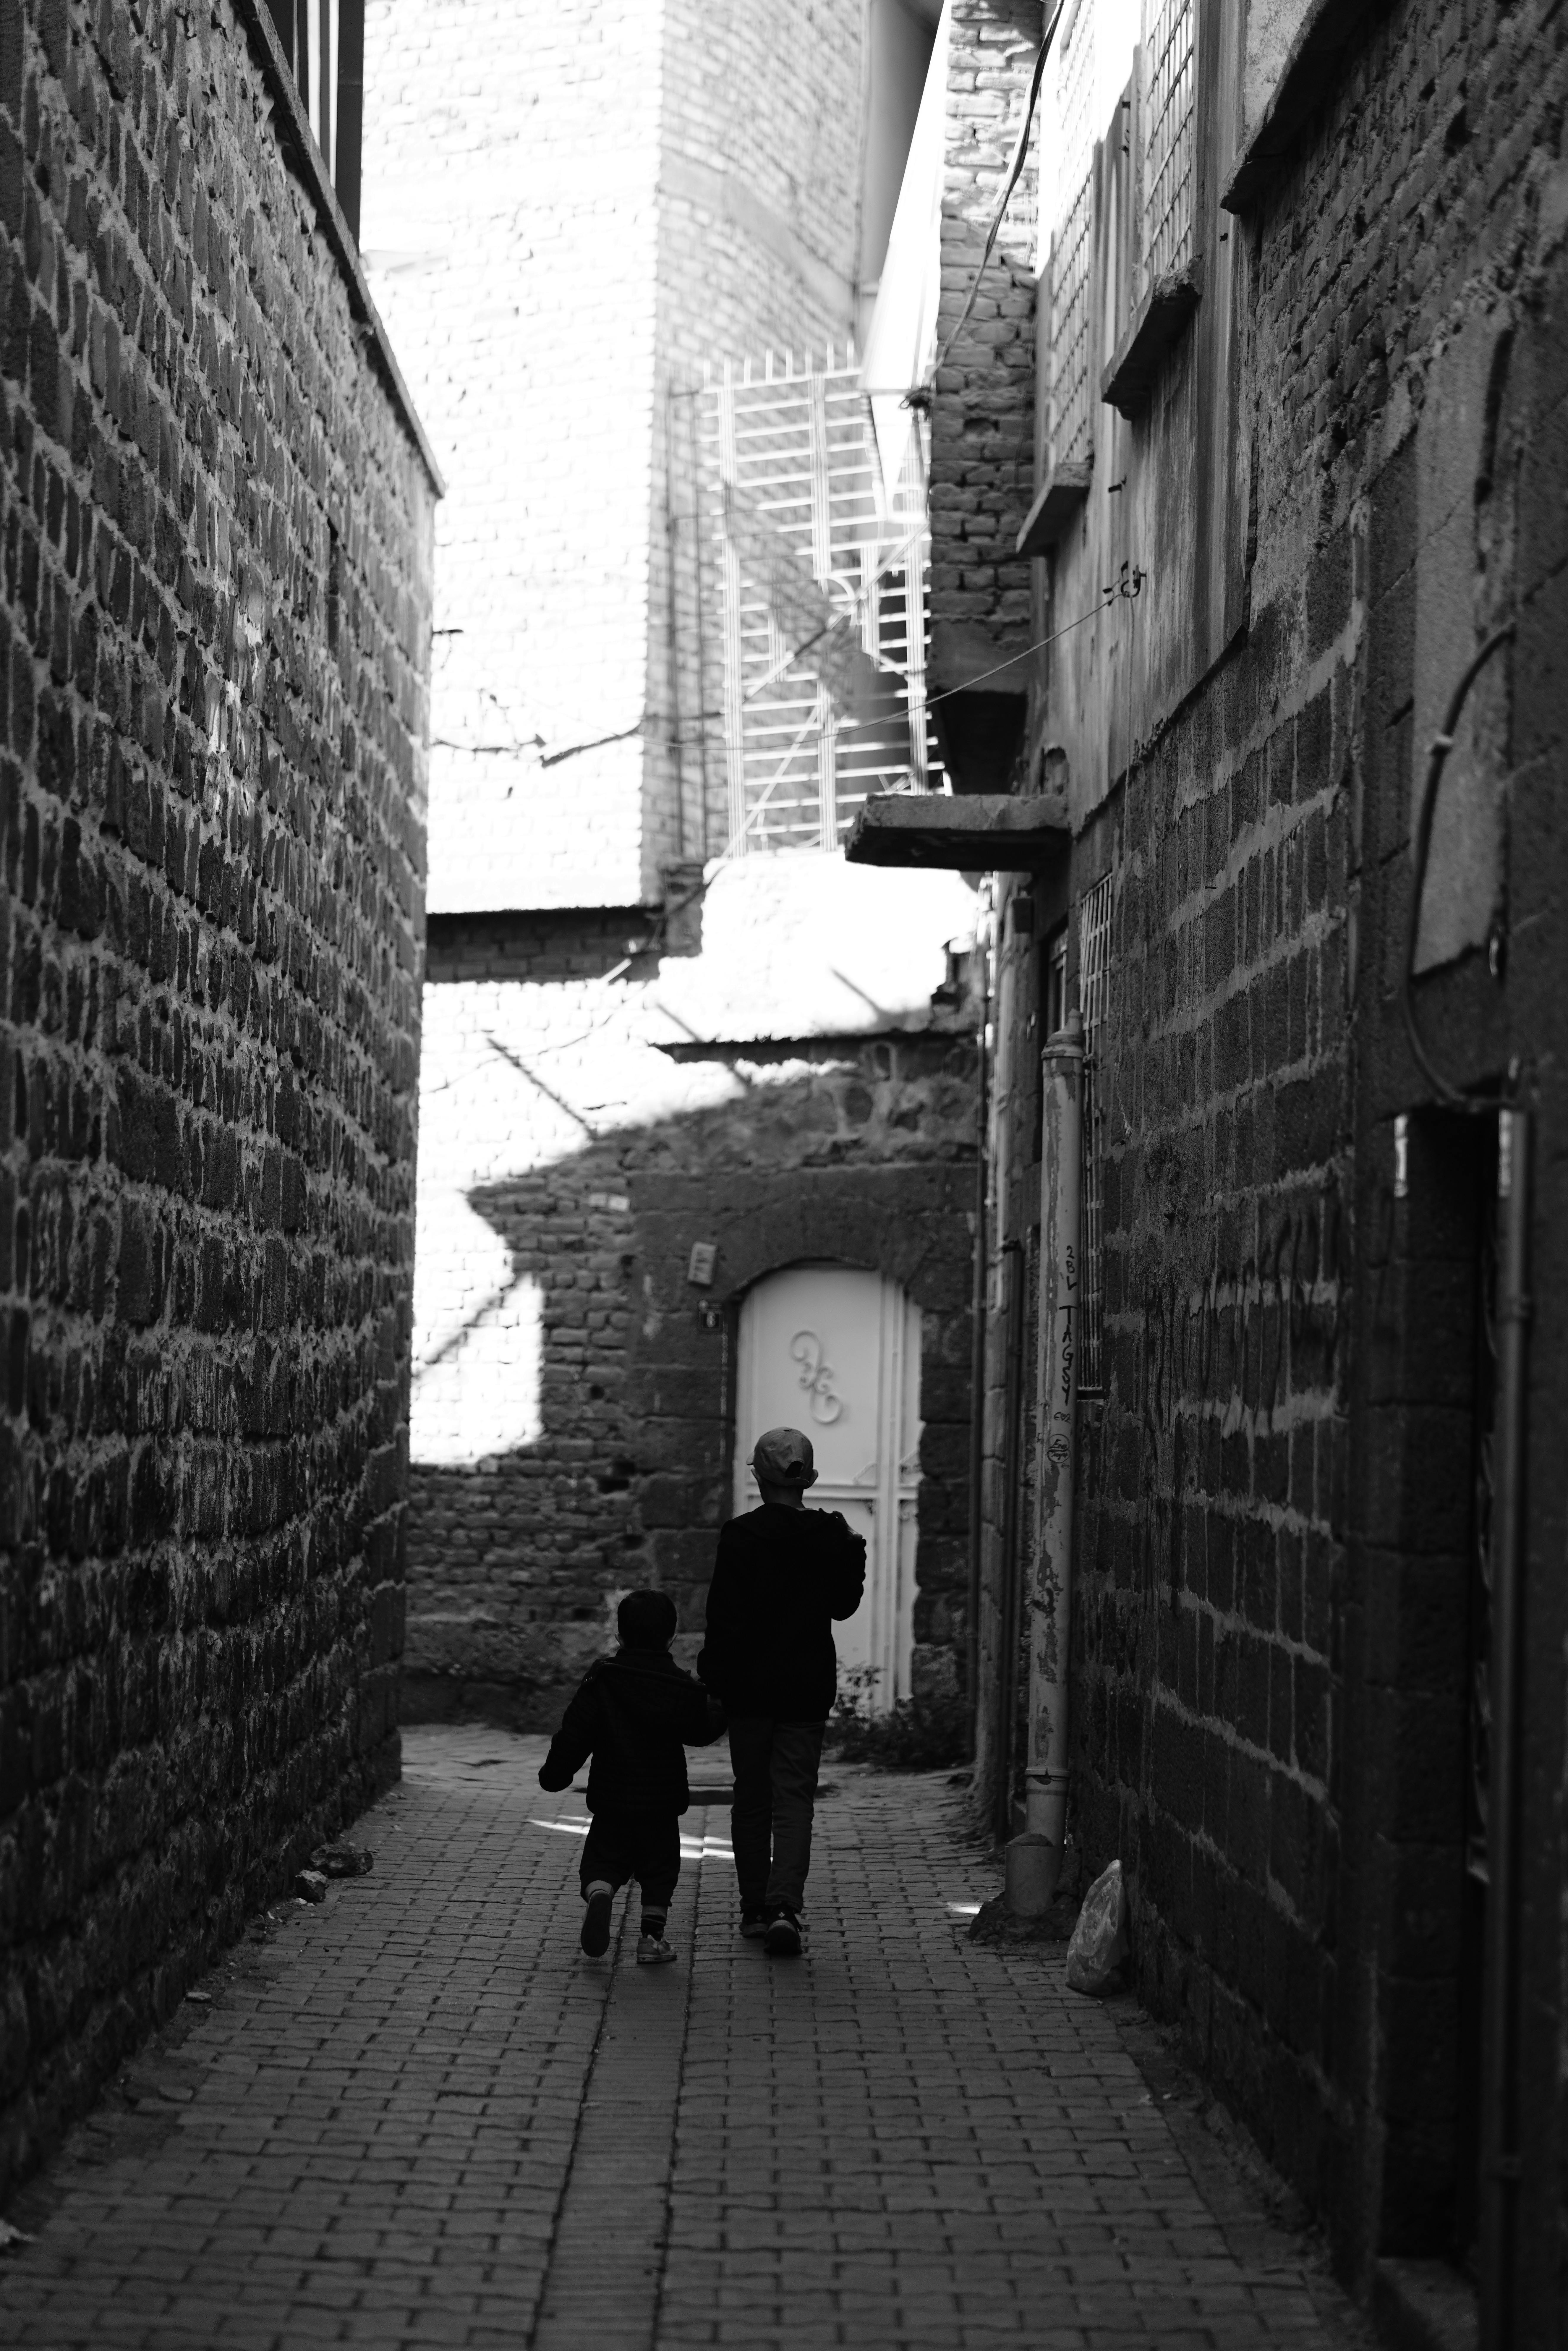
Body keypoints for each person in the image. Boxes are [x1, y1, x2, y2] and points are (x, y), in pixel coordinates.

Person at [697, 1426, 866, 1957]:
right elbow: (842, 1606)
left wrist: (713, 1678)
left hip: (748, 1690)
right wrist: (852, 1559)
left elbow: (721, 1617)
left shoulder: (740, 1535)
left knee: (751, 1799)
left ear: (759, 1476)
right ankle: (784, 1908)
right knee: (794, 1799)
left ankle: (752, 1909)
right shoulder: (829, 1535)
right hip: (804, 1688)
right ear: (807, 1479)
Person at [538, 1588, 725, 1965]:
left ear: (619, 1635)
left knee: (603, 1858)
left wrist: (555, 1774)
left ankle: (600, 1892)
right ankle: (651, 1940)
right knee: (660, 1868)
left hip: (611, 1798)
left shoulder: (604, 1679)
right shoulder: (679, 1686)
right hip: (661, 1802)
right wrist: (723, 1704)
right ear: (671, 1636)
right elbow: (702, 1731)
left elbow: (576, 1733)